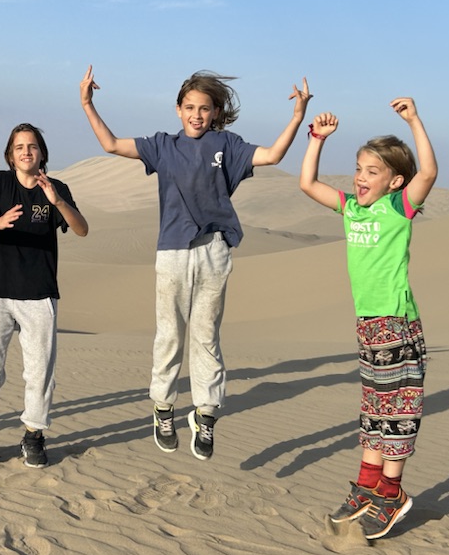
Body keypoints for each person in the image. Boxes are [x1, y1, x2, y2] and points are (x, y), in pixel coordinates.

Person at [80, 65, 311, 461]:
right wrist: (87, 103)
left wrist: (297, 116)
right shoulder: (162, 146)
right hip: (172, 251)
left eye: (205, 108)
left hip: (214, 251)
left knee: (206, 336)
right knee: (169, 334)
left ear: (216, 112)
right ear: (178, 109)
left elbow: (273, 155)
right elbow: (112, 144)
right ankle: (163, 407)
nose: (197, 115)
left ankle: (206, 413)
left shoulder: (228, 145)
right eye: (189, 107)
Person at [298, 99, 438, 540]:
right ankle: (367, 486)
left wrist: (413, 121)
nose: (360, 177)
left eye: (372, 171)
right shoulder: (351, 209)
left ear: (394, 181)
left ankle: (392, 493)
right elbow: (307, 183)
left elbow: (428, 173)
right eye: (358, 168)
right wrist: (316, 139)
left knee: (398, 411)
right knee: (374, 411)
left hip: (396, 323)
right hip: (368, 327)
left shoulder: (398, 207)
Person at [0, 123, 89, 469]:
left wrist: (57, 201)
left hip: (39, 294)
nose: (26, 152)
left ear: (42, 153)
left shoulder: (56, 188)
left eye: (32, 146)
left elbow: (81, 229)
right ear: (10, 154)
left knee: (39, 372)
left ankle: (33, 435)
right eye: (19, 147)